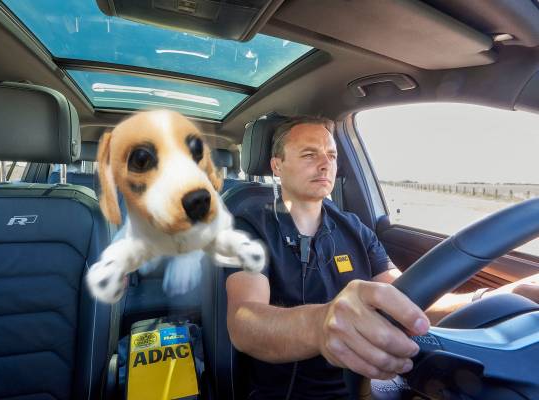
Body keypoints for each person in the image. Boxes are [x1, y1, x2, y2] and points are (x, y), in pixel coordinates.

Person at [226, 115, 539, 400]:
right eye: (310, 154)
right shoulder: (249, 225)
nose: (325, 164)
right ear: (277, 165)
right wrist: (320, 324)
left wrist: (495, 296)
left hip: (370, 383)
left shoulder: (354, 227)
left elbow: (406, 298)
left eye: (331, 155)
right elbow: (245, 322)